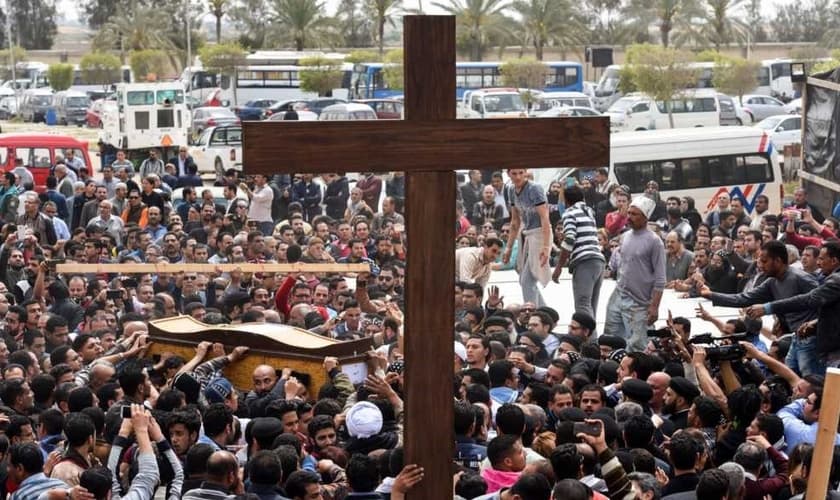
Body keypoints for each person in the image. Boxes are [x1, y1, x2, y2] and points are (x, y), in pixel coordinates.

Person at [605, 196, 666, 352]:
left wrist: (654, 306)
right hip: (618, 296)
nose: (629, 217)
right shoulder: (625, 236)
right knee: (611, 340)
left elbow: (660, 278)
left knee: (638, 347)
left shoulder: (655, 241)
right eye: (629, 213)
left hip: (639, 303)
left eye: (634, 214)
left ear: (645, 218)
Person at [552, 184, 605, 318]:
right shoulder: (589, 212)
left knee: (582, 305)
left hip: (584, 260)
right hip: (598, 259)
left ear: (567, 201)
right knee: (591, 305)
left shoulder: (569, 213)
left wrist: (558, 267)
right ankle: (592, 336)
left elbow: (570, 239)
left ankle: (590, 339)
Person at [503, 169, 551, 307]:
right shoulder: (511, 190)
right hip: (526, 234)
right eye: (514, 173)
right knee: (525, 278)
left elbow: (545, 218)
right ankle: (544, 313)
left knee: (527, 281)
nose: (518, 177)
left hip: (541, 233)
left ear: (525, 172)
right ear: (508, 173)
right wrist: (508, 248)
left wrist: (546, 246)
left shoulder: (534, 188)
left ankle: (533, 315)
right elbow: (515, 222)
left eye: (520, 173)